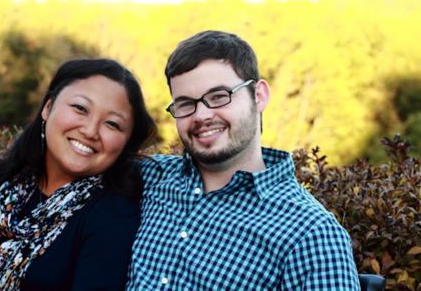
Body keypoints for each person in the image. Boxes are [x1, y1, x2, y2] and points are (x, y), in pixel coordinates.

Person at [127, 30, 360, 290]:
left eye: (218, 97)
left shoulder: (311, 234)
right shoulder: (150, 177)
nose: (201, 115)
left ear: (258, 96)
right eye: (185, 104)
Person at [0, 59, 156, 291]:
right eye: (80, 109)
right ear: (47, 107)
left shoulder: (111, 214)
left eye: (112, 124)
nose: (90, 131)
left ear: (126, 142)